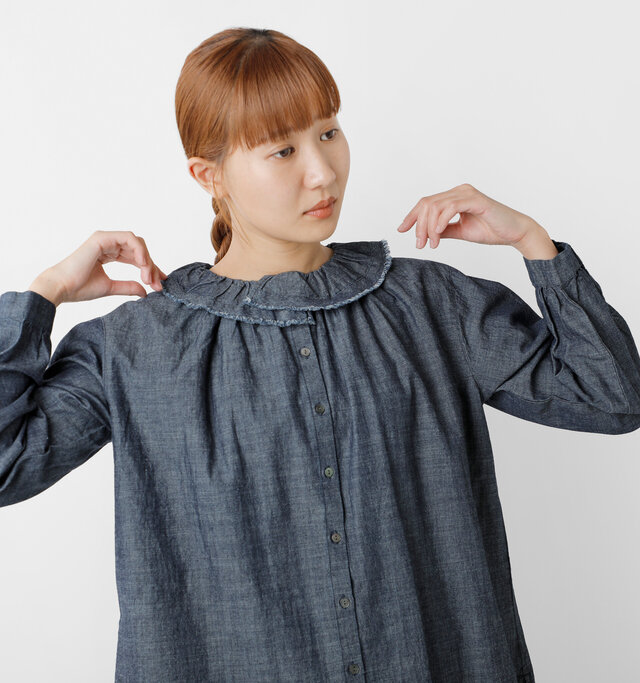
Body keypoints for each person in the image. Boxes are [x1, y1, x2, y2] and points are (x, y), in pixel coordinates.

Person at [1, 26, 639, 683]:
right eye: (283, 149)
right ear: (208, 175)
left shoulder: (430, 305)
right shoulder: (133, 349)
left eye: (329, 131)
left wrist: (532, 242)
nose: (323, 171)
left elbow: (612, 396)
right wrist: (43, 295)